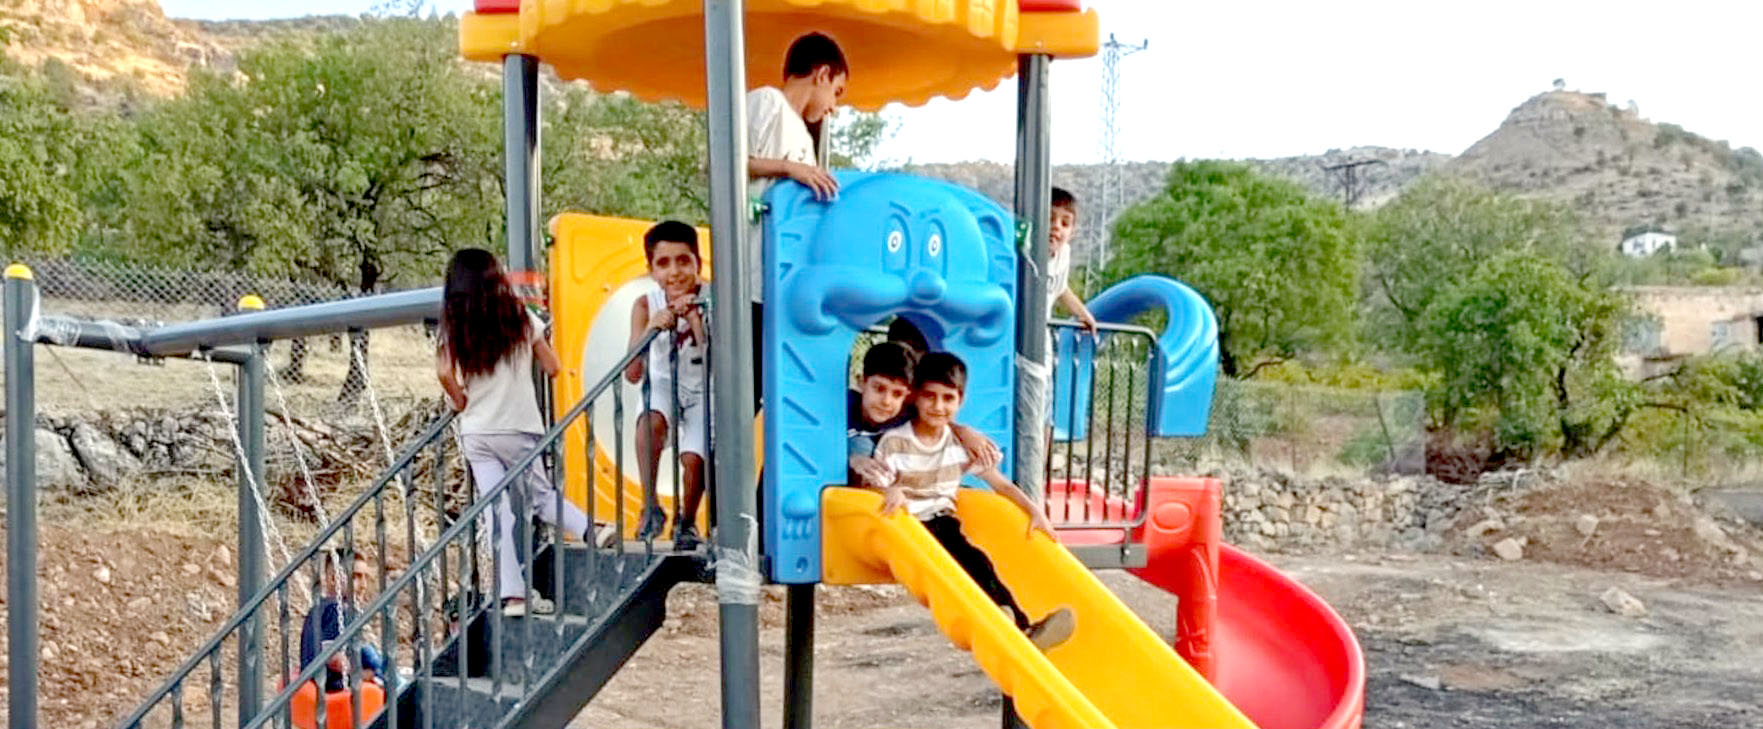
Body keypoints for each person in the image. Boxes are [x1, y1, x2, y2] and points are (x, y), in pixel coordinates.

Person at [874, 352, 1076, 651]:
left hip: (942, 523)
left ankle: (1019, 626)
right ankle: (1003, 622)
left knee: (978, 563)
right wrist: (888, 490)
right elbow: (871, 484)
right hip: (906, 528)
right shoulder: (895, 441)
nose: (938, 406)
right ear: (915, 396)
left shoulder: (961, 446)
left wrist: (1034, 510)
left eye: (948, 398)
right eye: (929, 396)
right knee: (958, 568)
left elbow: (1000, 483)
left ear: (961, 401)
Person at [437, 248, 593, 617]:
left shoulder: (455, 323)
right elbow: (553, 367)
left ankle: (513, 595)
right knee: (540, 496)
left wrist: (460, 399)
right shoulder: (520, 317)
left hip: (477, 431)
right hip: (519, 426)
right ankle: (591, 529)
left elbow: (445, 372)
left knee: (496, 512)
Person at [746, 31, 848, 403]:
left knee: (773, 393)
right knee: (744, 390)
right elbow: (729, 161)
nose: (833, 107)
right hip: (751, 278)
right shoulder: (767, 102)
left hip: (780, 283)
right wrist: (791, 168)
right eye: (836, 92)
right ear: (821, 74)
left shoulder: (804, 137)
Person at [624, 221, 710, 550]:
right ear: (651, 270)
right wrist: (650, 329)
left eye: (683, 261)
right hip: (663, 382)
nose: (674, 272)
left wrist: (694, 321)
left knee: (694, 458)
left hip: (704, 387)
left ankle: (687, 521)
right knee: (650, 421)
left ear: (697, 264)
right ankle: (649, 507)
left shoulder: (715, 298)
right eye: (663, 263)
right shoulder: (646, 304)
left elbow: (717, 363)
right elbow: (632, 373)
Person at [847, 340, 1000, 489]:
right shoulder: (844, 406)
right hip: (848, 470)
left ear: (909, 395)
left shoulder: (905, 412)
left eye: (897, 393)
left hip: (893, 477)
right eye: (879, 388)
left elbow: (934, 419)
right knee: (860, 444)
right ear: (862, 382)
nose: (886, 401)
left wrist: (964, 432)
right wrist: (852, 460)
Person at [298, 549, 385, 692]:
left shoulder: (320, 607)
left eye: (365, 578)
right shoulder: (336, 609)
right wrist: (365, 675)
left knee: (369, 652)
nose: (363, 585)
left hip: (320, 680)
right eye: (356, 577)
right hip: (332, 684)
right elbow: (332, 657)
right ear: (333, 579)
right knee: (371, 656)